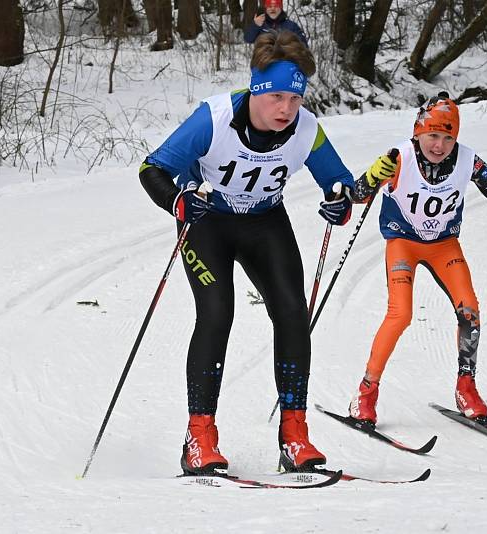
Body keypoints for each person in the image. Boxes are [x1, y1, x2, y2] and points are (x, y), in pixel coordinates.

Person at [138, 31, 354, 474]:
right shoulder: (214, 119)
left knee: (294, 313)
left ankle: (294, 435)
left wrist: (339, 201)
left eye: (295, 98)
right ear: (255, 89)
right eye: (276, 96)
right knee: (217, 314)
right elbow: (152, 168)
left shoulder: (306, 129)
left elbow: (340, 184)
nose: (286, 109)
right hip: (207, 224)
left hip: (264, 222)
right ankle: (199, 437)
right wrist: (178, 201)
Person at [347, 93, 487, 425]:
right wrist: (373, 176)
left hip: (444, 245)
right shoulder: (400, 156)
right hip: (403, 241)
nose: (439, 145)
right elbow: (357, 195)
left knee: (469, 309)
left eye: (447, 137)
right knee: (400, 315)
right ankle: (366, 393)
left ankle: (466, 387)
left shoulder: (468, 160)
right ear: (418, 132)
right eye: (432, 135)